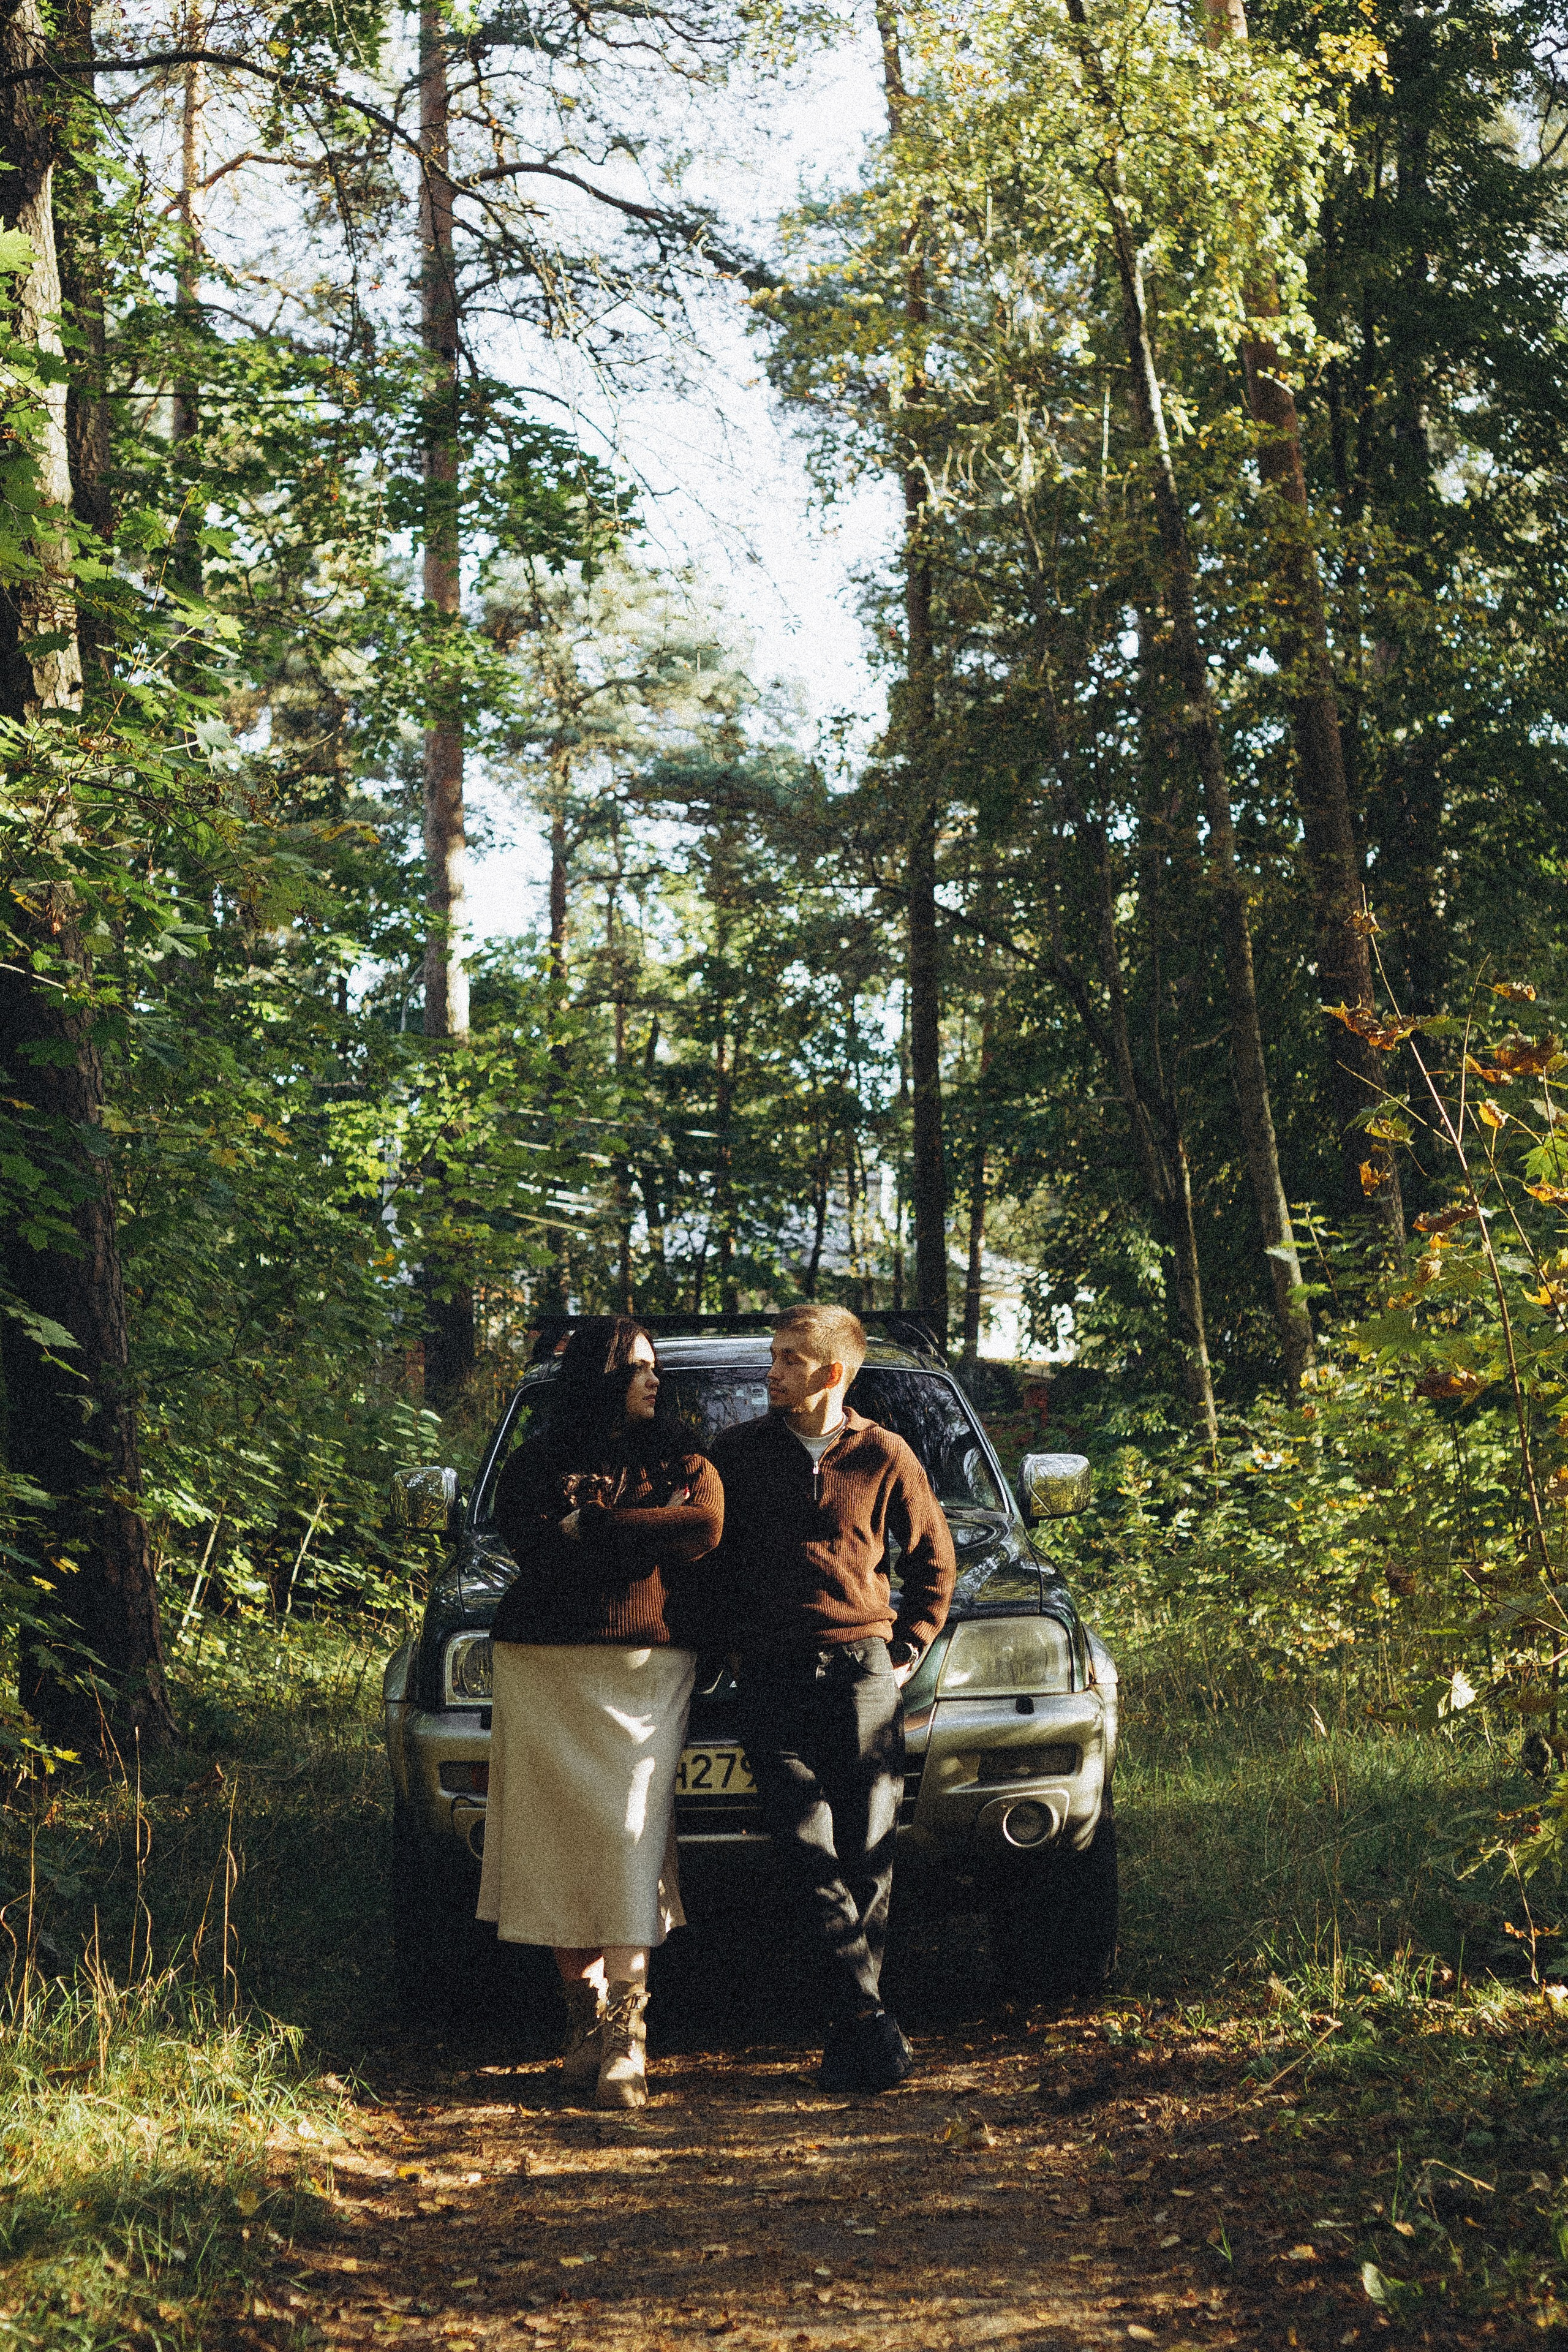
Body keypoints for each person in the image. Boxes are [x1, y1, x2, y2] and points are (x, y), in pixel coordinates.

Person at [478, 1317, 724, 2109]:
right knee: (554, 1850)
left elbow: (705, 1527)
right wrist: (635, 1537)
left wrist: (599, 1524)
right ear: (601, 1375)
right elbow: (537, 1549)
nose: (655, 1380)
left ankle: (628, 2039)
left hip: (646, 1669)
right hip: (542, 1666)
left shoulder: (681, 1455)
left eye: (655, 1368)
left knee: (628, 1842)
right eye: (639, 1368)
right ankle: (583, 2027)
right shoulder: (536, 1462)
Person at [711, 1303, 956, 2093]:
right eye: (774, 1357)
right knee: (806, 1850)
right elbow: (706, 1559)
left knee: (869, 1851)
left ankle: (853, 2032)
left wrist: (907, 1647)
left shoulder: (886, 1456)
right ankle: (867, 2020)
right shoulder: (738, 1455)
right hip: (773, 1674)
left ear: (831, 1372)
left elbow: (934, 1564)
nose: (772, 1372)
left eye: (788, 1359)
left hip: (861, 1674)